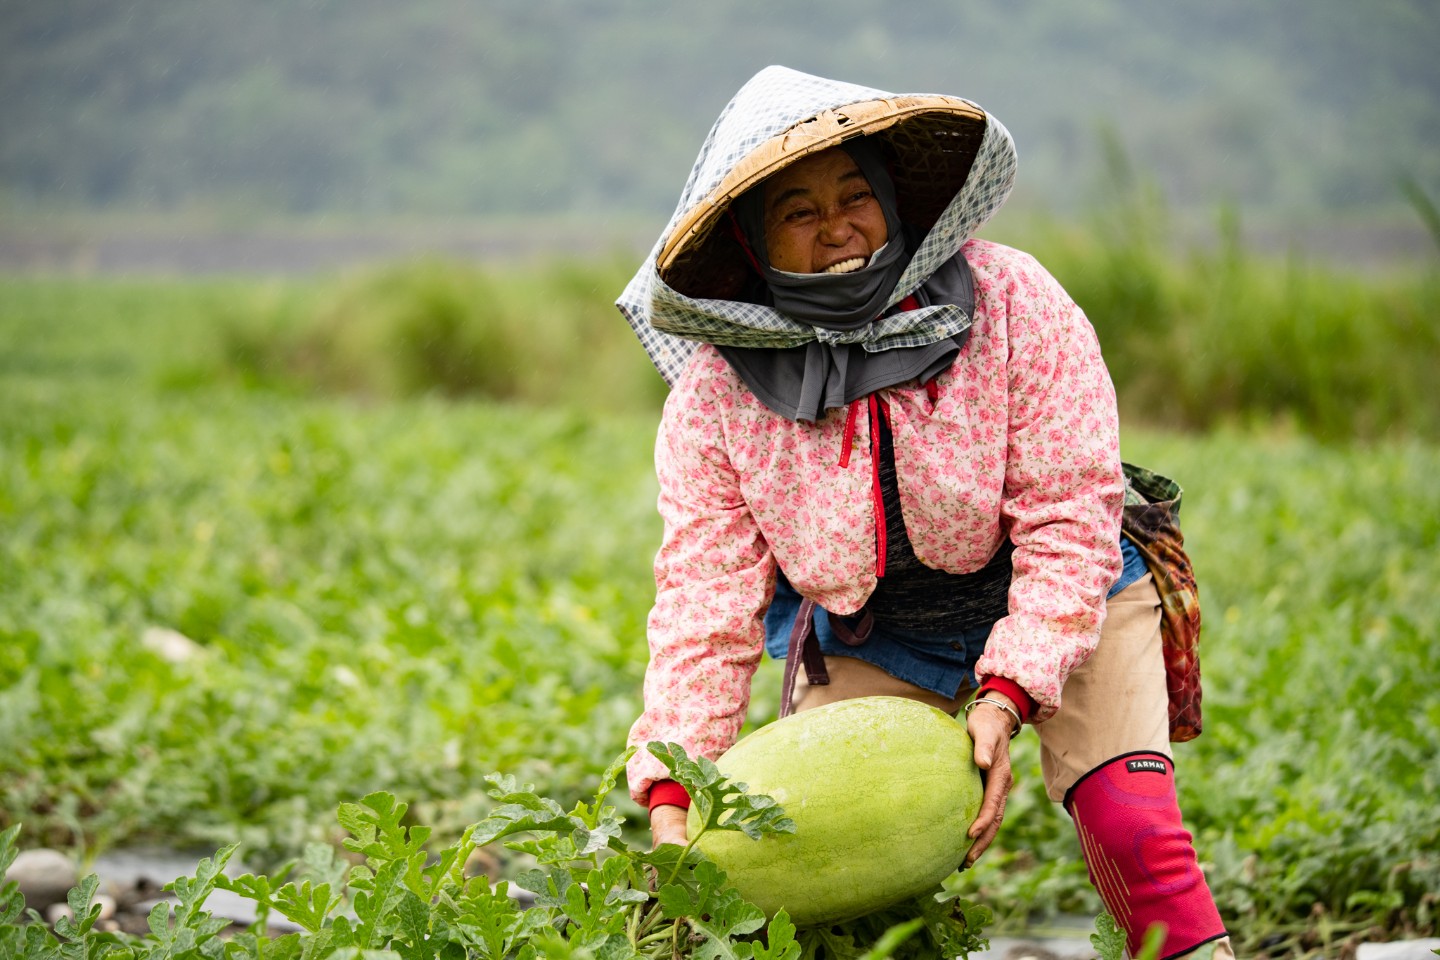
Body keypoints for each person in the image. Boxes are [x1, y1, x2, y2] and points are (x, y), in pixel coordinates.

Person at [615, 66, 1231, 960]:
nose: (837, 230)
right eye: (797, 211)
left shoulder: (1017, 303)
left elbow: (1069, 514)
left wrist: (1008, 692)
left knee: (1133, 831)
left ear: (896, 203)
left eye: (855, 196)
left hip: (1070, 594)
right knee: (835, 891)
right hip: (880, 631)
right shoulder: (717, 395)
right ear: (752, 246)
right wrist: (674, 788)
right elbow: (702, 606)